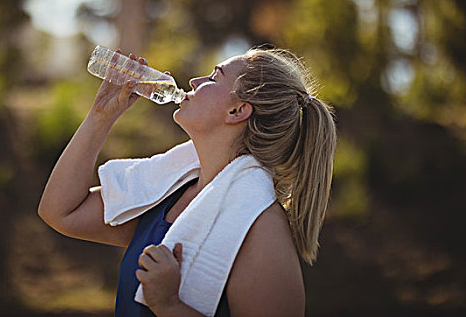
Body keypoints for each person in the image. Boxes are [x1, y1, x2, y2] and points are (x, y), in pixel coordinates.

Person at [38, 46, 337, 317]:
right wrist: (100, 116)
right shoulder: (166, 194)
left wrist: (169, 306)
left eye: (213, 77)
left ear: (237, 111)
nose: (194, 81)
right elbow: (60, 211)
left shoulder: (261, 226)